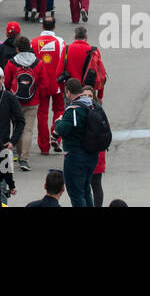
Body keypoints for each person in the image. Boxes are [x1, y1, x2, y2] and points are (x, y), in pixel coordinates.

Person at [54, 79, 98, 207]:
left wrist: (58, 121)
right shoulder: (93, 104)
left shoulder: (73, 109)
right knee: (86, 191)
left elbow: (63, 130)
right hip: (92, 154)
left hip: (75, 156)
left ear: (68, 92)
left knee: (76, 193)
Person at [4, 37, 42, 170]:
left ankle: (17, 153)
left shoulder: (12, 63)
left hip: (15, 100)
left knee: (17, 127)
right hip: (33, 100)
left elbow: (6, 82)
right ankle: (24, 159)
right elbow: (44, 82)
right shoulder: (38, 63)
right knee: (28, 130)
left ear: (17, 48)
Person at [31, 16, 67, 156]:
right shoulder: (60, 42)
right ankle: (56, 136)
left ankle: (44, 147)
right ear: (54, 27)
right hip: (57, 83)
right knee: (59, 110)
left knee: (42, 114)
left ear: (42, 27)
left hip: (40, 83)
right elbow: (64, 60)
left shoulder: (33, 42)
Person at [61, 24, 108, 101]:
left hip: (71, 91)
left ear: (75, 37)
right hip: (88, 91)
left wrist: (63, 90)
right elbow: (100, 74)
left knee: (71, 111)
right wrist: (100, 96)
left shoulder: (66, 49)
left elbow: (59, 72)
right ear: (86, 37)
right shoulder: (94, 51)